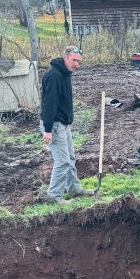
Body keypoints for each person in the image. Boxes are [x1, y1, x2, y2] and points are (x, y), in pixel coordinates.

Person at [40, 45, 94, 203]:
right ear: (65, 57)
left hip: (62, 123)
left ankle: (74, 189)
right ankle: (54, 196)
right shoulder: (54, 75)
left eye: (79, 61)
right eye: (74, 60)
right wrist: (48, 130)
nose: (76, 64)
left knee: (70, 158)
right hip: (54, 125)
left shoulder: (65, 73)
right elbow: (49, 104)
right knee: (62, 161)